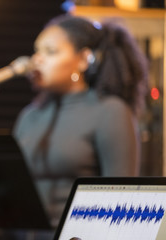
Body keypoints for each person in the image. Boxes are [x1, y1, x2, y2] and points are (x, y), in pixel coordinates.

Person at [12, 14, 148, 235]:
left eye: (51, 52)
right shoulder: (29, 116)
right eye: (37, 51)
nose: (37, 59)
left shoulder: (110, 111)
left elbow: (121, 199)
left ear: (84, 59)